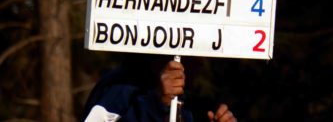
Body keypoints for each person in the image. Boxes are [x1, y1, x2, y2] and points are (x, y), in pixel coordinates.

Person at [82, 57, 236, 122]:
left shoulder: (187, 104)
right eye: (195, 55)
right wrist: (153, 107)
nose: (201, 63)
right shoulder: (118, 88)